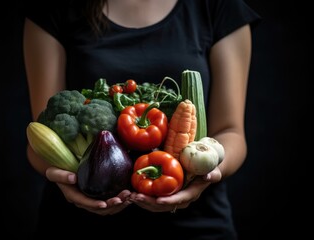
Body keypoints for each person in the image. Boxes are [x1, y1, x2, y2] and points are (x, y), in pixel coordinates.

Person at [23, 0, 260, 238]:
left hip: (197, 226)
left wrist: (206, 171)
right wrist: (69, 178)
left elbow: (231, 132)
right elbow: (40, 136)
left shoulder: (219, 6)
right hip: (75, 224)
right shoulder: (53, 9)